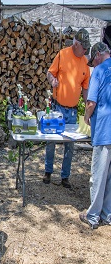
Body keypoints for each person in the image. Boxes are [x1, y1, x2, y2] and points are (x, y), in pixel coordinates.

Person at [43, 28, 91, 188]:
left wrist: (87, 107)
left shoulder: (84, 61)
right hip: (57, 108)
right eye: (83, 47)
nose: (85, 50)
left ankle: (65, 176)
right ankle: (48, 172)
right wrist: (52, 81)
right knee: (51, 141)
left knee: (70, 145)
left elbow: (85, 88)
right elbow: (50, 73)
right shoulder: (63, 54)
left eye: (86, 48)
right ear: (76, 44)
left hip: (73, 110)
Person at [79, 42, 111, 229]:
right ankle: (107, 214)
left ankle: (92, 217)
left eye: (93, 60)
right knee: (110, 177)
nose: (93, 64)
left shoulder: (98, 72)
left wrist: (86, 117)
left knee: (99, 175)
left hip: (105, 130)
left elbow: (91, 102)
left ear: (98, 55)